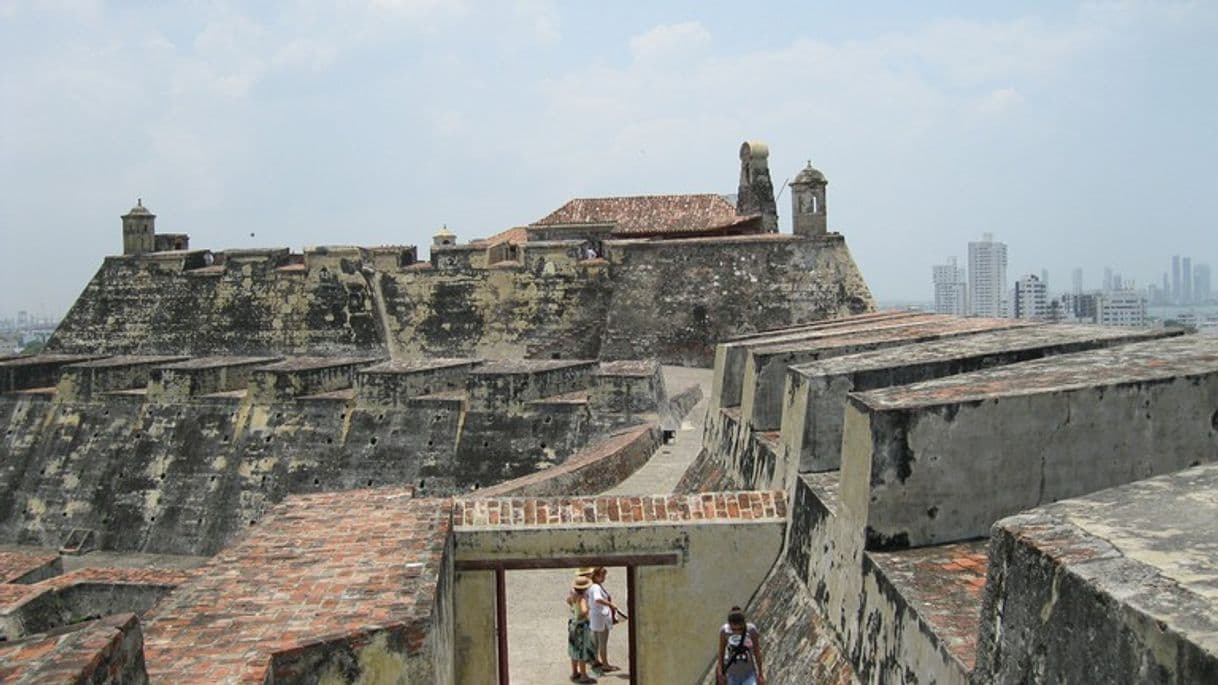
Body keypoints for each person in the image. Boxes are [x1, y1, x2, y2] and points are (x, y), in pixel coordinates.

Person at [717, 606, 765, 685]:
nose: (736, 632)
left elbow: (757, 653)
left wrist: (760, 674)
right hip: (731, 675)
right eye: (734, 629)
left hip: (749, 673)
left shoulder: (751, 630)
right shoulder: (724, 631)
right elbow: (721, 653)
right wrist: (720, 674)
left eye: (739, 629)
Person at [587, 567, 622, 675]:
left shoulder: (593, 586)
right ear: (597, 576)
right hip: (601, 618)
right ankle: (605, 664)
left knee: (596, 641)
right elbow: (598, 599)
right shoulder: (596, 587)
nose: (604, 578)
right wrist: (610, 604)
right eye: (603, 575)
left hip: (596, 617)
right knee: (602, 642)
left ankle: (595, 661)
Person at [567, 575, 598, 683]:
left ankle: (575, 672)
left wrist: (574, 609)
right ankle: (584, 675)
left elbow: (568, 601)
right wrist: (588, 609)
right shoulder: (582, 597)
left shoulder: (573, 594)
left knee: (573, 650)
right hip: (581, 625)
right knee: (582, 651)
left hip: (573, 624)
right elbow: (584, 611)